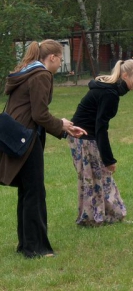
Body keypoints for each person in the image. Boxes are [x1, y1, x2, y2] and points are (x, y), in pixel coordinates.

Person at [0, 39, 87, 258]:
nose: (60, 64)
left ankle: (26, 245)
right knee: (35, 192)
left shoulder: (27, 72)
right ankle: (35, 248)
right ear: (52, 57)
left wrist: (61, 126)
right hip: (27, 139)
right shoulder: (41, 75)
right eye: (60, 58)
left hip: (17, 136)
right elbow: (40, 114)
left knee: (28, 192)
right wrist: (62, 126)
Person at [67, 59, 133, 226]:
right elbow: (101, 128)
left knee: (102, 177)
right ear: (125, 75)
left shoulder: (110, 91)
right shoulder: (110, 94)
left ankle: (110, 215)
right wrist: (109, 160)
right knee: (93, 177)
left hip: (86, 136)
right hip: (83, 138)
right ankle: (91, 219)